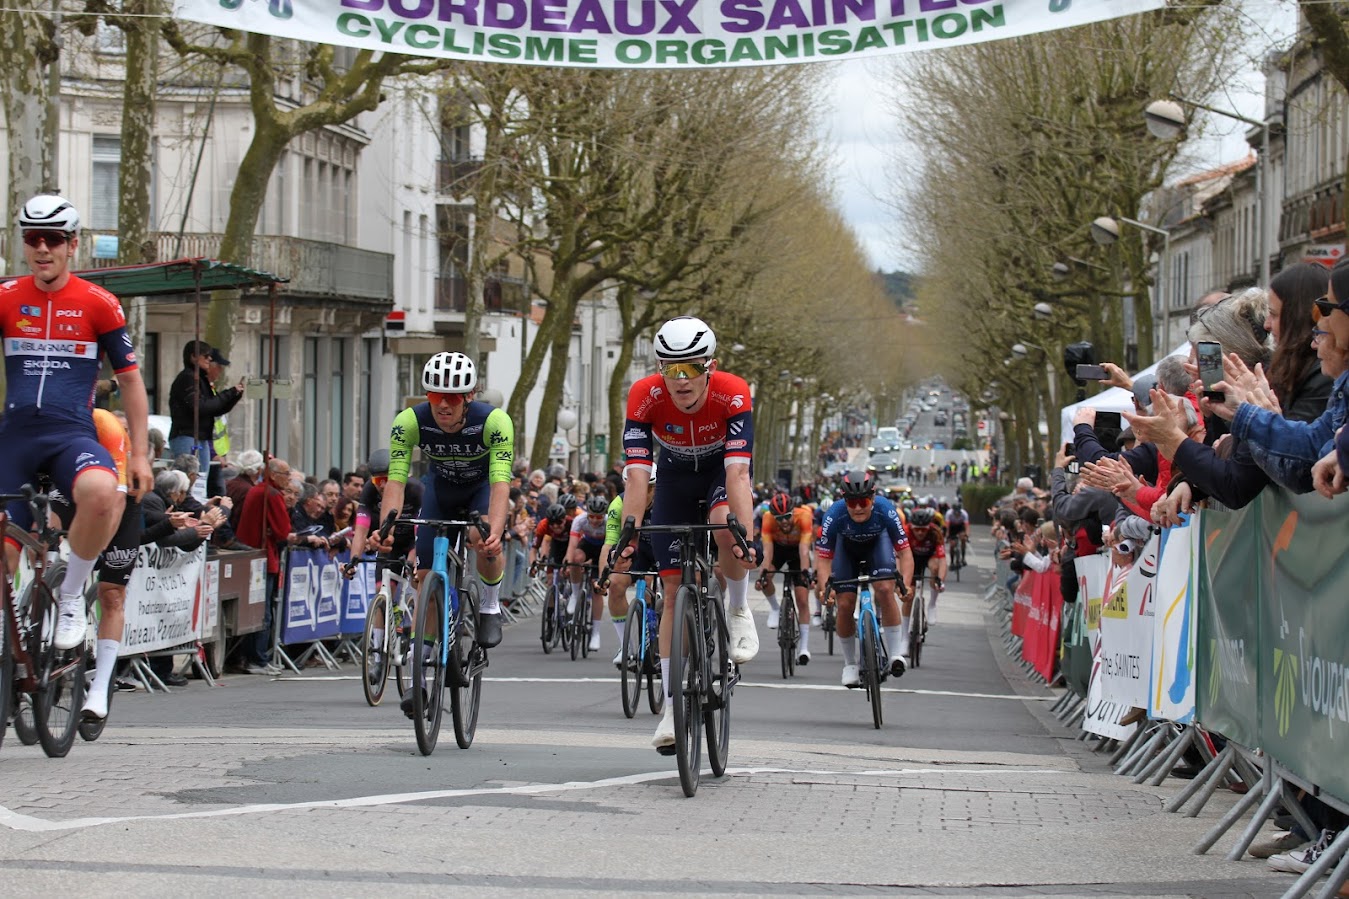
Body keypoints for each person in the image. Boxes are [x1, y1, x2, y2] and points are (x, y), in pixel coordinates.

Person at [0, 194, 153, 652]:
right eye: (33, 239)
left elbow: (131, 382)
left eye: (53, 240)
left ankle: (70, 596)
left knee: (103, 492)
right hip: (15, 436)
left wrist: (141, 455)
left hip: (70, 434)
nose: (42, 249)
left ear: (73, 245)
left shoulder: (98, 303)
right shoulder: (6, 297)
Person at [615, 316, 758, 751]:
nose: (681, 379)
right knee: (674, 591)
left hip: (719, 474)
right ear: (660, 367)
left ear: (710, 366)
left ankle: (738, 608)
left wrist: (746, 538)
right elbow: (637, 476)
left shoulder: (733, 391)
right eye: (670, 368)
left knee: (726, 527)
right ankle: (672, 708)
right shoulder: (644, 395)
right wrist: (628, 535)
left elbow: (738, 474)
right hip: (674, 478)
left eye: (691, 367)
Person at [379, 352, 513, 720]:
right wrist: (386, 525)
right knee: (425, 579)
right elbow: (396, 480)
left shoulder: (494, 421)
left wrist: (495, 530)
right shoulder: (409, 421)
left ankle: (490, 605)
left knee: (483, 540)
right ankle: (419, 676)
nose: (442, 405)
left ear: (469, 396)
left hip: (481, 490)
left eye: (452, 398)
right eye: (435, 396)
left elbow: (501, 483)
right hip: (440, 492)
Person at [815, 471, 914, 685]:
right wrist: (825, 588)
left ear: (873, 498)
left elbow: (905, 552)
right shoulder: (833, 514)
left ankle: (895, 655)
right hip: (846, 551)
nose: (858, 508)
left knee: (885, 590)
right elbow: (823, 558)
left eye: (864, 501)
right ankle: (850, 664)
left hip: (877, 546)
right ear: (845, 501)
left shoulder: (886, 510)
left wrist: (905, 584)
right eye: (852, 502)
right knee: (845, 604)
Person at [235, 458, 297, 674]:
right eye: (286, 474)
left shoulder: (258, 490)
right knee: (263, 612)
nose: (288, 479)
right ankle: (258, 659)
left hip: (253, 556)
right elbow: (283, 531)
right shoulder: (271, 494)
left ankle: (251, 657)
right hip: (264, 558)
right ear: (274, 474)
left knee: (255, 609)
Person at [168, 339, 243, 489]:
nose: (209, 358)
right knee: (188, 480)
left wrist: (234, 396)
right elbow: (201, 407)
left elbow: (215, 408)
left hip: (201, 437)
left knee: (200, 482)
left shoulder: (200, 380)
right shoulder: (188, 378)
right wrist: (229, 393)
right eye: (205, 355)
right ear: (193, 357)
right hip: (187, 435)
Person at [757, 491, 815, 665]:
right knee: (765, 577)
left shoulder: (804, 516)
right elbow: (768, 551)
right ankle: (775, 608)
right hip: (779, 549)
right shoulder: (767, 519)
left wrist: (805, 572)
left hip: (798, 551)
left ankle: (803, 648)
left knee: (802, 599)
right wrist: (763, 573)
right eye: (779, 518)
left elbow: (804, 550)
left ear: (793, 512)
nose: (783, 521)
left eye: (787, 516)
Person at [564, 494, 610, 652]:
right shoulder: (580, 520)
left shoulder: (609, 522)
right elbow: (572, 545)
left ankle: (596, 633)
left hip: (603, 549)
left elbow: (611, 547)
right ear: (587, 513)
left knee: (597, 589)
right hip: (588, 545)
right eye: (592, 516)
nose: (595, 520)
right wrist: (569, 561)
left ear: (604, 515)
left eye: (599, 517)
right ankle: (575, 594)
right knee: (576, 558)